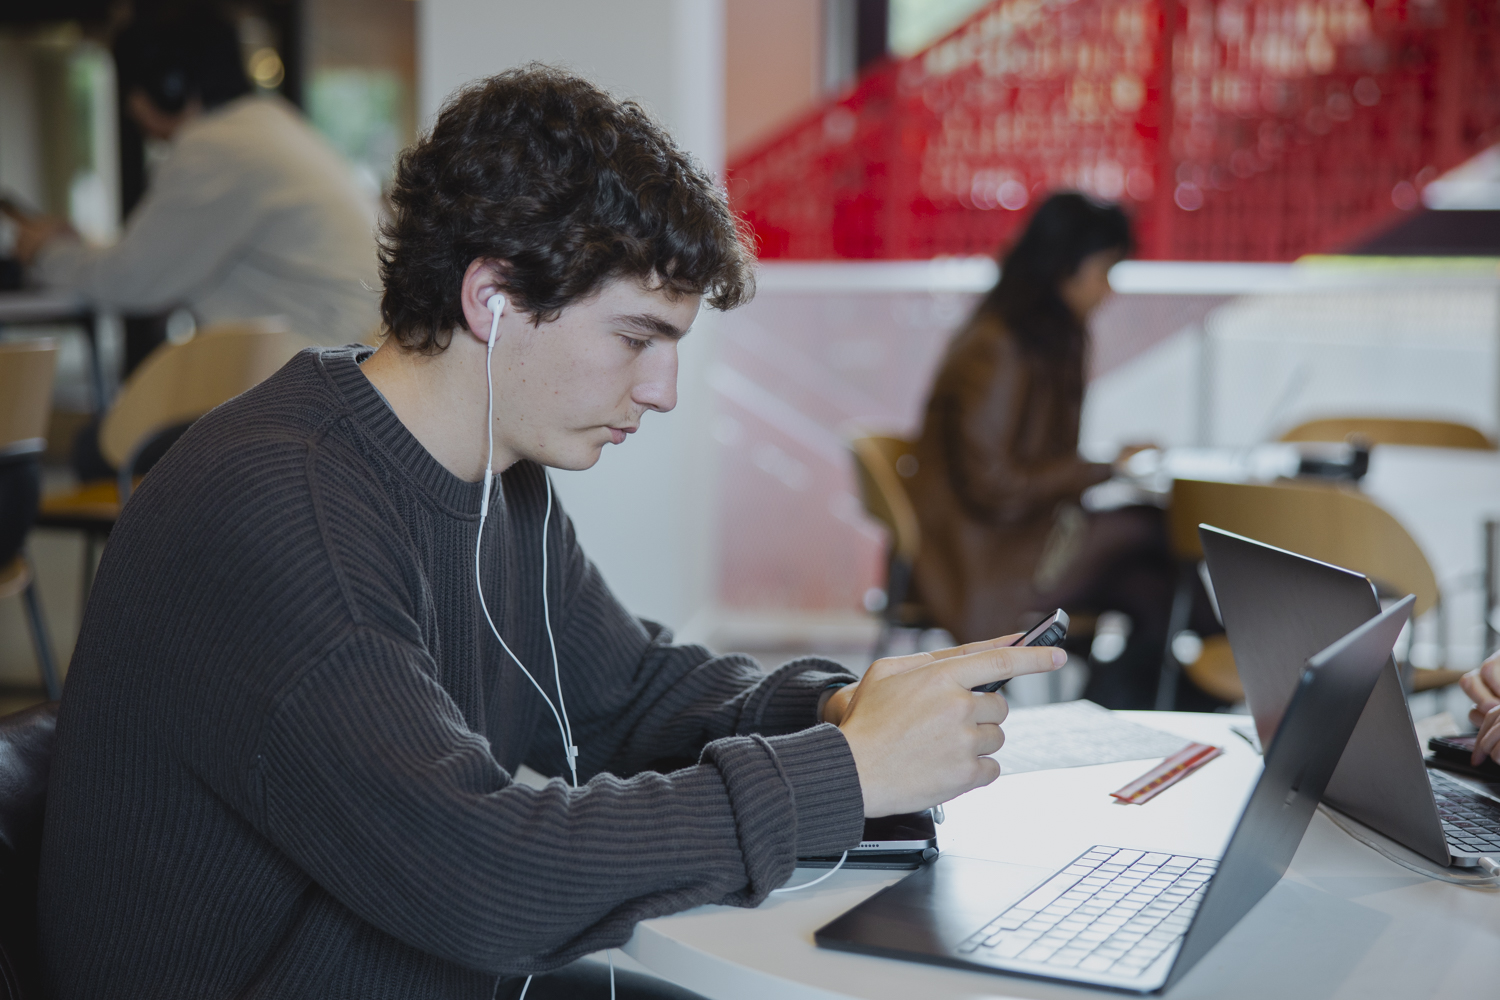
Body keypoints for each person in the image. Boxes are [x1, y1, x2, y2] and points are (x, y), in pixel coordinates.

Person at [38, 67, 1062, 1000]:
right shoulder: (279, 512)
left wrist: (837, 707)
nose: (660, 391)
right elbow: (484, 874)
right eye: (636, 338)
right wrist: (843, 774)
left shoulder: (495, 470)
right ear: (493, 297)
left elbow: (625, 693)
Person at [906, 193, 1216, 711]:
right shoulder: (999, 347)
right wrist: (1106, 467)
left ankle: (1116, 714)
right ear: (1063, 266)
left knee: (1154, 590)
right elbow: (995, 488)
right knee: (1153, 526)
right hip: (987, 554)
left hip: (1024, 536)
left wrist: (1101, 469)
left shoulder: (1040, 337)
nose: (1107, 289)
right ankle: (1227, 667)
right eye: (1104, 270)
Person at [14, 8, 380, 347]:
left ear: (168, 85)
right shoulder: (266, 124)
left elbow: (133, 280)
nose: (130, 107)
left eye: (132, 87)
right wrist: (87, 248)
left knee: (122, 418)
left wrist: (46, 253)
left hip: (321, 384)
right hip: (350, 366)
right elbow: (158, 258)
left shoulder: (214, 150)